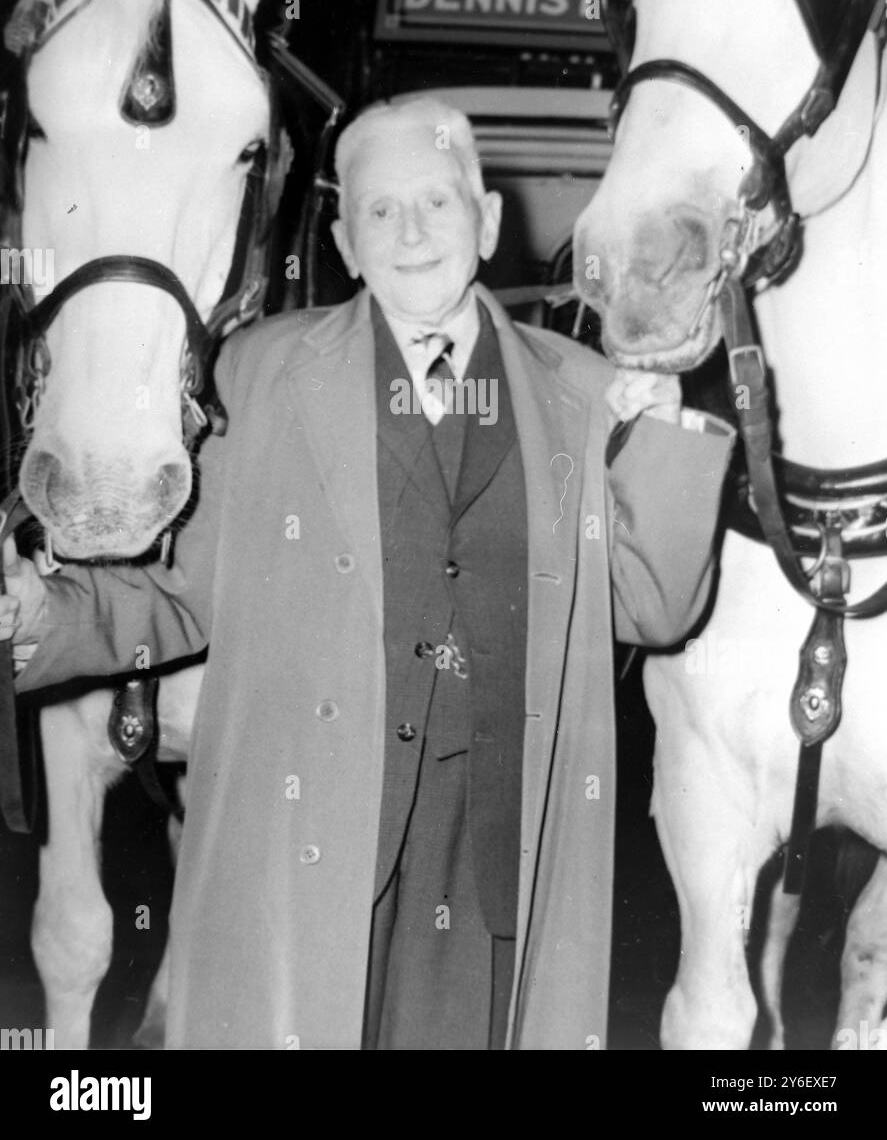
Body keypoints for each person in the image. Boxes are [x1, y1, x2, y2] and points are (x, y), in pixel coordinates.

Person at [1, 96, 733, 1050]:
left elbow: (650, 606)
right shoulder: (254, 378)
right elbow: (176, 599)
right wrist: (32, 615)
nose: (411, 232)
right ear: (343, 239)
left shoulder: (583, 394)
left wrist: (671, 439)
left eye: (435, 202)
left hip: (494, 871)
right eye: (380, 211)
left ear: (489, 220)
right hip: (313, 853)